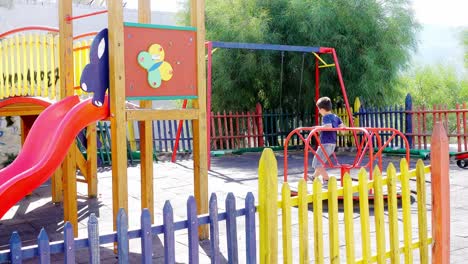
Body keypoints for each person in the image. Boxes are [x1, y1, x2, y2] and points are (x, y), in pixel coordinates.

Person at [310, 97, 345, 183]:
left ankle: (327, 179)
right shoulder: (336, 117)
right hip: (332, 144)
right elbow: (343, 129)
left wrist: (317, 128)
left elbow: (328, 126)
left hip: (325, 144)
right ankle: (314, 177)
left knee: (316, 163)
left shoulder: (326, 117)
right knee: (320, 162)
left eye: (319, 109)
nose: (319, 111)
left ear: (322, 109)